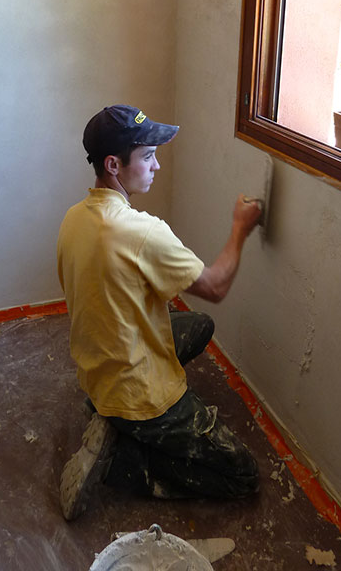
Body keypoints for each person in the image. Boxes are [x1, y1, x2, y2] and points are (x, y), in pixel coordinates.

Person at [56, 104, 262, 520]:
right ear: (114, 165)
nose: (158, 166)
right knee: (243, 475)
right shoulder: (142, 232)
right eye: (148, 156)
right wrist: (241, 227)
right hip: (137, 393)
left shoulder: (74, 218)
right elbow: (215, 285)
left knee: (199, 326)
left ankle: (105, 412)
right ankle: (124, 462)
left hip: (97, 368)